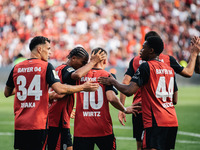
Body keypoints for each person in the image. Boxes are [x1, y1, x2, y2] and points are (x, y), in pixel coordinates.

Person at [4, 36, 99, 150]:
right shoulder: (46, 66)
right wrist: (83, 87)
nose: (50, 52)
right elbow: (59, 89)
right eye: (48, 49)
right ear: (40, 49)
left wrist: (28, 90)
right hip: (38, 122)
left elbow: (7, 92)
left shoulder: (16, 67)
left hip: (20, 123)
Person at [118, 31, 200, 150]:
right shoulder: (168, 60)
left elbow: (126, 82)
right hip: (163, 110)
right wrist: (193, 54)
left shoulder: (136, 61)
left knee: (141, 146)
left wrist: (122, 107)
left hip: (140, 110)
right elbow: (188, 73)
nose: (141, 49)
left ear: (149, 47)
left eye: (143, 46)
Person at [98, 36, 181, 150]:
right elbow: (175, 100)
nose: (141, 50)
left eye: (143, 47)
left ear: (151, 50)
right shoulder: (169, 69)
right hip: (171, 120)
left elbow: (129, 91)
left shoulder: (146, 66)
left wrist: (113, 81)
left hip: (155, 120)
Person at [73, 47, 141, 150]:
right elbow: (111, 98)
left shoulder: (80, 75)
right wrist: (124, 109)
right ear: (105, 61)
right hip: (103, 128)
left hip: (82, 129)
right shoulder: (107, 75)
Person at [47, 46, 106, 150]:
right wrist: (92, 62)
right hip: (58, 120)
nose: (83, 66)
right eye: (83, 63)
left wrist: (68, 107)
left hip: (59, 117)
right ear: (73, 58)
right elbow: (77, 75)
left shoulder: (59, 69)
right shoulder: (67, 69)